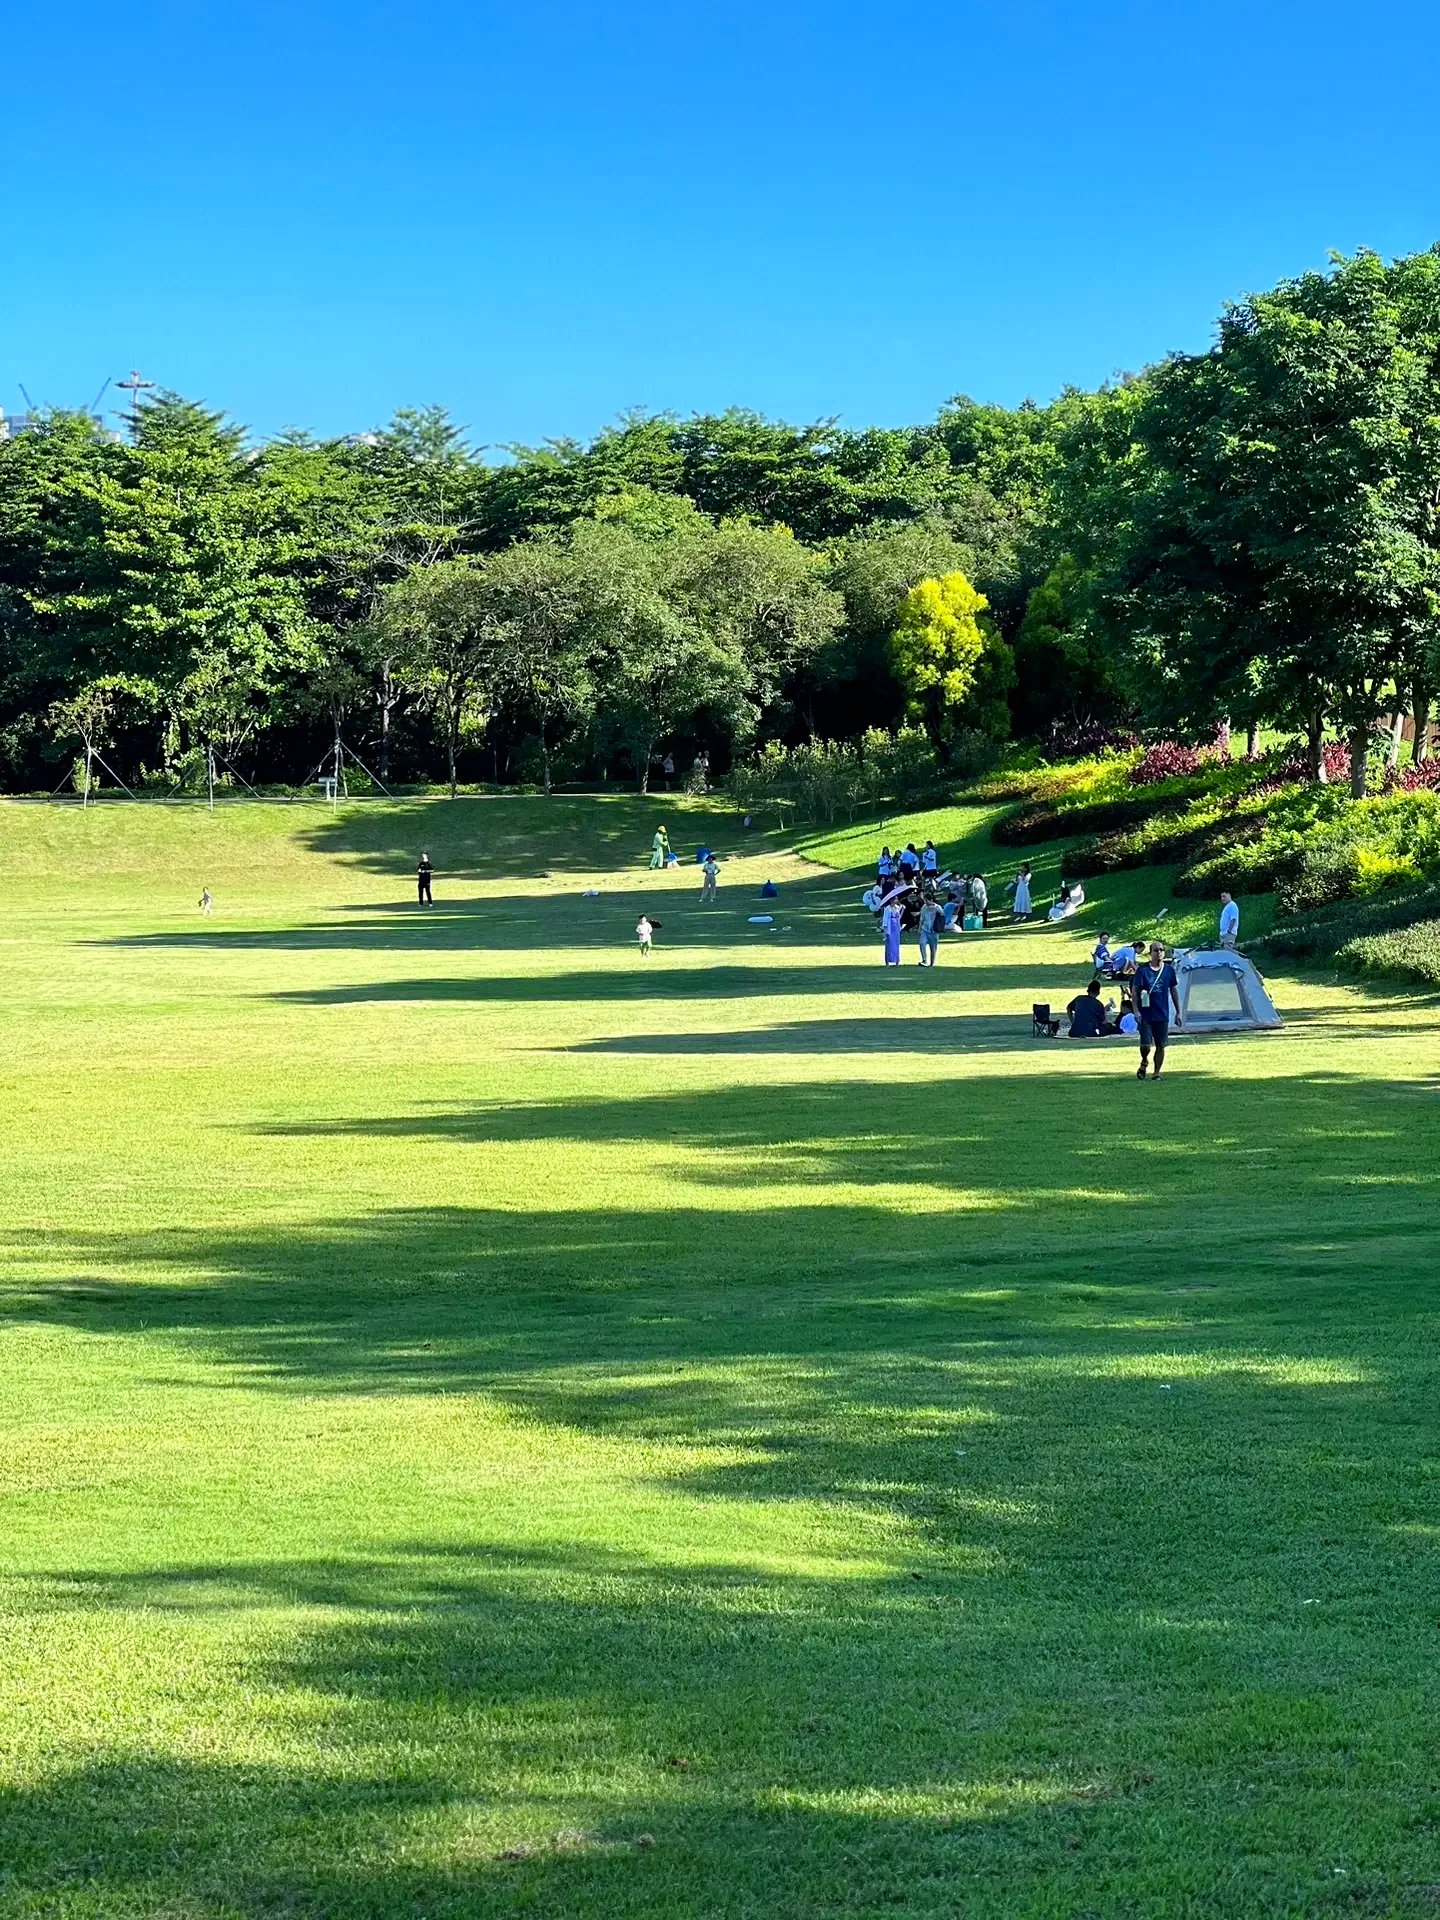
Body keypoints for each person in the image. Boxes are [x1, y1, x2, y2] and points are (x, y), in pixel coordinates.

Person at [1131, 940, 1181, 1080]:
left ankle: (1156, 1072)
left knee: (1161, 1045)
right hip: (1146, 1014)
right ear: (1150, 953)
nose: (1159, 953)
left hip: (1162, 1014)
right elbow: (1135, 991)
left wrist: (1178, 1012)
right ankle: (1144, 1061)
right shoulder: (1143, 971)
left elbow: (1174, 990)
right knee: (1145, 1045)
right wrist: (1136, 1010)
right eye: (1156, 950)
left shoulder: (1169, 970)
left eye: (1161, 950)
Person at [917, 896, 944, 967]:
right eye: (925, 900)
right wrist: (919, 928)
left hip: (934, 930)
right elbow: (922, 918)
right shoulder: (924, 907)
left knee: (933, 947)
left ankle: (932, 963)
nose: (926, 902)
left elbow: (942, 913)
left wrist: (934, 908)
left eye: (927, 900)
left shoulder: (937, 906)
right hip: (925, 928)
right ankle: (924, 960)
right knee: (922, 943)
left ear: (931, 900)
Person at [882, 899, 903, 966]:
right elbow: (885, 920)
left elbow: (899, 917)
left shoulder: (897, 907)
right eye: (895, 899)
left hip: (896, 929)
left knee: (896, 945)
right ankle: (887, 962)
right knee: (889, 944)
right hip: (890, 929)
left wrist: (902, 910)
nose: (896, 900)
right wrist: (885, 931)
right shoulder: (887, 909)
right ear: (891, 900)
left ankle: (896, 961)